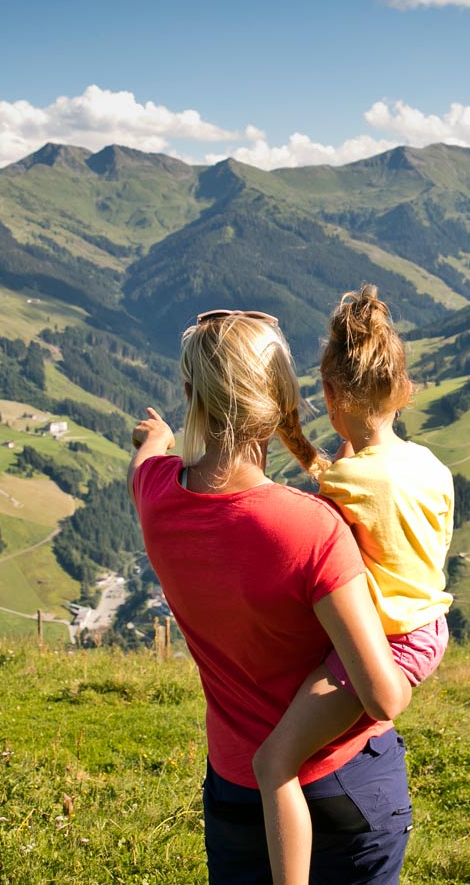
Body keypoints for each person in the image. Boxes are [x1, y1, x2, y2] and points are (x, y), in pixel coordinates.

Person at [130, 309, 414, 884]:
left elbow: (143, 461)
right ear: (283, 400)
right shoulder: (311, 527)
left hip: (234, 789)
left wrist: (154, 439)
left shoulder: (153, 495)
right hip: (343, 783)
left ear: (191, 394)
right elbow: (382, 697)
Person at [253, 287, 454, 885]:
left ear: (333, 396)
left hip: (387, 647)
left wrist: (288, 431)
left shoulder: (346, 483)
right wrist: (301, 439)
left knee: (273, 762)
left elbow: (319, 506)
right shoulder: (429, 467)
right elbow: (353, 478)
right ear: (403, 390)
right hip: (428, 628)